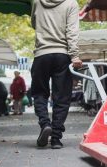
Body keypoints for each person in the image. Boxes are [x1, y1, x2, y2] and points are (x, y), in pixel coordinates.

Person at [31, 0, 82, 149]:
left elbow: (34, 23)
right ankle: (56, 138)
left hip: (41, 54)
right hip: (62, 55)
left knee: (39, 93)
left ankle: (45, 124)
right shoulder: (71, 3)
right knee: (62, 97)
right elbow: (72, 31)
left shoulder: (36, 1)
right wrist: (74, 56)